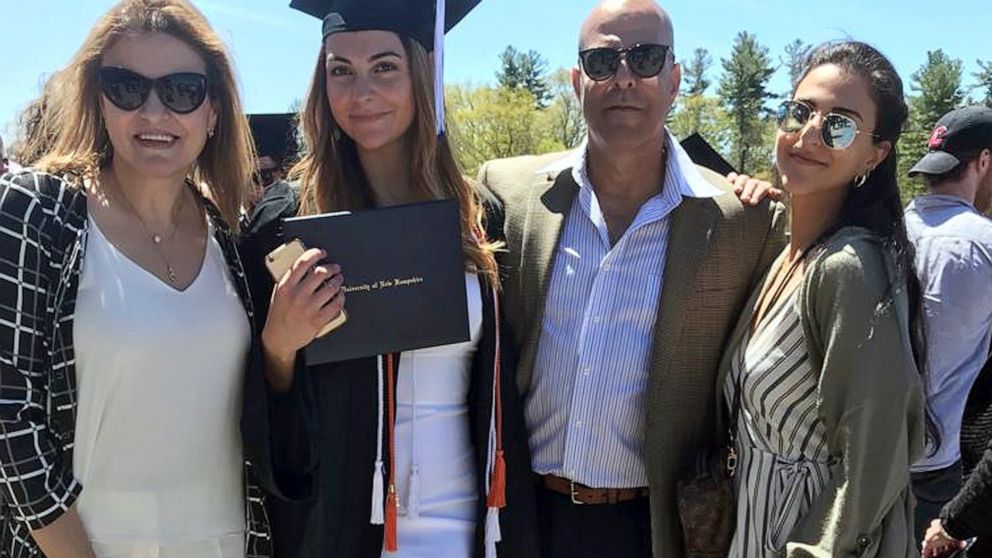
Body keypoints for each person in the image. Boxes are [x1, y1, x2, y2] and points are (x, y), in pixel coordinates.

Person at [478, 1, 786, 556]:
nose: (623, 77)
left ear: (673, 79)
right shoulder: (508, 193)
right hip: (525, 515)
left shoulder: (742, 221)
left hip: (652, 527)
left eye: (644, 59)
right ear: (577, 81)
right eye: (602, 61)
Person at [0, 1, 304, 556]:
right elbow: (9, 416)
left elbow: (252, 410)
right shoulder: (37, 213)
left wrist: (280, 350)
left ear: (214, 112)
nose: (155, 112)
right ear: (99, 101)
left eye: (182, 90)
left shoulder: (229, 236)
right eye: (126, 87)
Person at [237, 0, 539, 556]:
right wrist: (278, 346)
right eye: (340, 71)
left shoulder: (476, 218)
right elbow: (258, 424)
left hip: (468, 525)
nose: (360, 94)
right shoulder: (283, 225)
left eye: (384, 68)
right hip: (341, 529)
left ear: (422, 74)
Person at [717, 41, 931, 557]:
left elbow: (872, 463)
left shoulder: (850, 268)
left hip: (802, 538)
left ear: (874, 154)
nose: (810, 133)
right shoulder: (789, 254)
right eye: (800, 111)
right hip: (750, 525)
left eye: (840, 124)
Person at [903, 105, 992, 542]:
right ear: (984, 162)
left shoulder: (888, 230)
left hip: (866, 460)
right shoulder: (986, 244)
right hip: (943, 468)